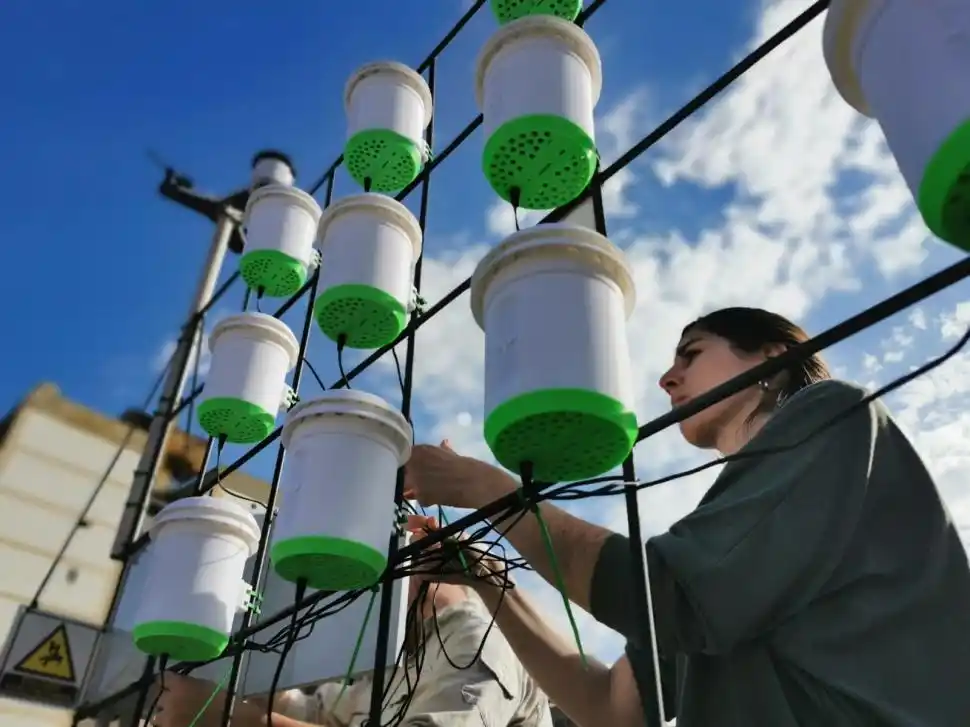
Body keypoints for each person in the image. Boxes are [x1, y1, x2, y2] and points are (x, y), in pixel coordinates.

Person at [403, 307, 970, 727]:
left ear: (772, 360)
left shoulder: (833, 414)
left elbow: (670, 596)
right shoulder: (725, 537)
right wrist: (488, 579)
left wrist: (494, 494)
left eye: (691, 354)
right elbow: (609, 707)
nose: (667, 378)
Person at [152, 515, 553, 727]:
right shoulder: (389, 644)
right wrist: (242, 677)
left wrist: (235, 719)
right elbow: (323, 713)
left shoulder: (476, 644)